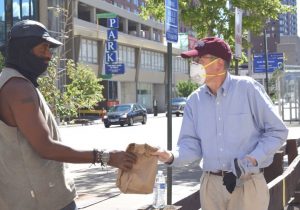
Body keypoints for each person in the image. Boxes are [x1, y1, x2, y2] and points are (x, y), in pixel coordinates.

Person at [0, 20, 136, 210]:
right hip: (40, 203)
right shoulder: (18, 88)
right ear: (23, 50)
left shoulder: (16, 83)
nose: (49, 55)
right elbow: (45, 147)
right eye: (43, 48)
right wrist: (105, 157)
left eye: (50, 49)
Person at [153, 37, 288, 210]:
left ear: (218, 63)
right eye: (194, 61)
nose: (194, 65)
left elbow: (277, 131)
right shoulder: (194, 100)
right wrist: (171, 156)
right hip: (211, 188)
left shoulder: (248, 89)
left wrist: (252, 159)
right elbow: (191, 146)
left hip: (248, 184)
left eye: (200, 60)